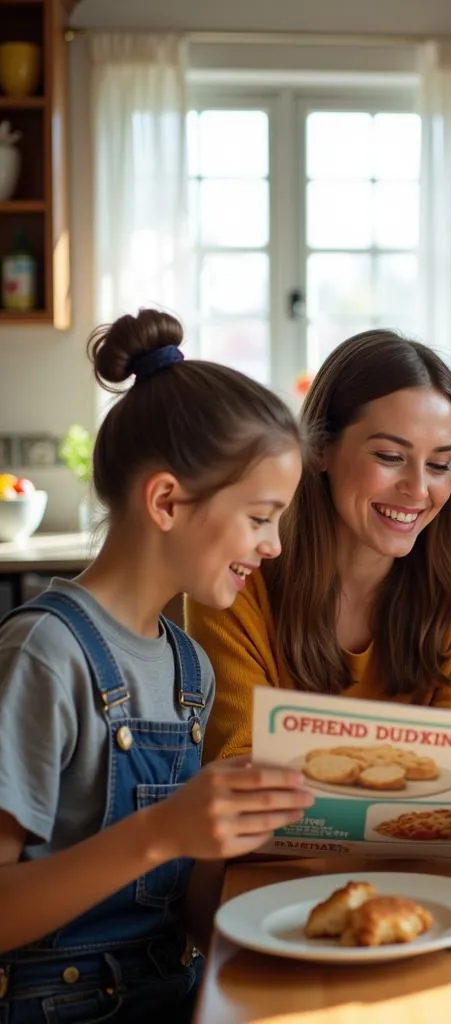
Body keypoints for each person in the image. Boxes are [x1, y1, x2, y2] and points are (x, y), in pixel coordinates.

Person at [0, 310, 313, 1023]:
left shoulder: (189, 667)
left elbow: (182, 916)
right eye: (261, 517)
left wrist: (233, 841)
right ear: (167, 501)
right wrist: (166, 830)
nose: (274, 548)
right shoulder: (46, 655)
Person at [186, 330, 451, 760]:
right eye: (390, 457)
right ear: (319, 449)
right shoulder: (234, 575)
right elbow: (239, 770)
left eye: (438, 465)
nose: (417, 489)